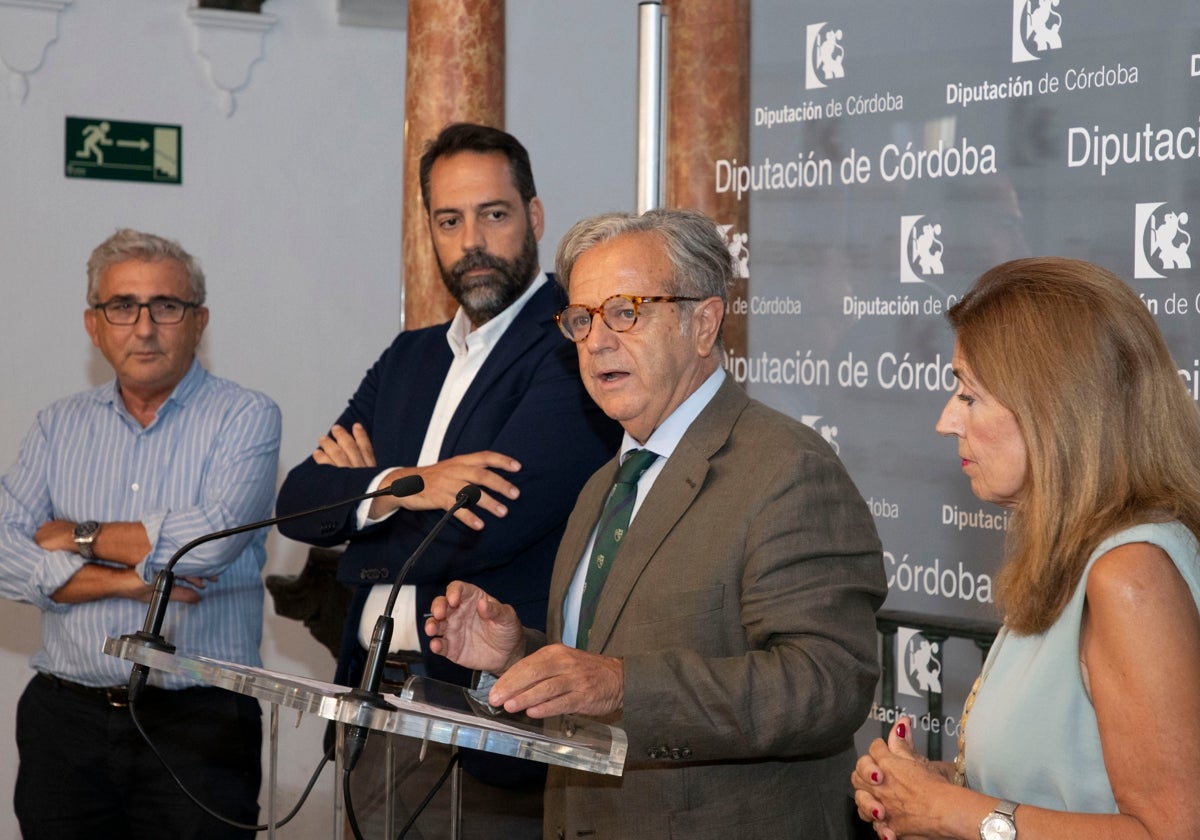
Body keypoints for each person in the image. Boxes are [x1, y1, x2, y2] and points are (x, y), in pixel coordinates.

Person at [425, 208, 887, 839]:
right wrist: (517, 655)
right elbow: (598, 674)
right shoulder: (603, 485)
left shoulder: (787, 470)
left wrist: (621, 687)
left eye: (626, 312)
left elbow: (827, 684)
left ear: (704, 322)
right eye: (582, 320)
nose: (597, 341)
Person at [274, 123, 620, 836]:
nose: (473, 242)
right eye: (449, 220)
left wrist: (360, 517)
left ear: (535, 216)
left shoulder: (569, 349)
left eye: (494, 215)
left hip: (488, 727)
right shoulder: (408, 358)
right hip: (372, 709)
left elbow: (484, 528)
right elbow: (297, 504)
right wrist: (411, 482)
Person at [852, 257, 1200, 840]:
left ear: (1054, 411)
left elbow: (1173, 831)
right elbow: (1062, 790)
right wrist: (925, 789)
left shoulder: (1130, 574)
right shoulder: (1071, 554)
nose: (945, 421)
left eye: (969, 395)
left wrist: (948, 813)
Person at [0, 228, 281, 839]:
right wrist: (129, 584)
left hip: (200, 725)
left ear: (199, 321)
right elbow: (1, 552)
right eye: (122, 307)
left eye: (166, 306)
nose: (144, 327)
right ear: (93, 324)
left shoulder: (247, 417)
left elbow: (208, 543)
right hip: (63, 722)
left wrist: (76, 534)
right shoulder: (57, 427)